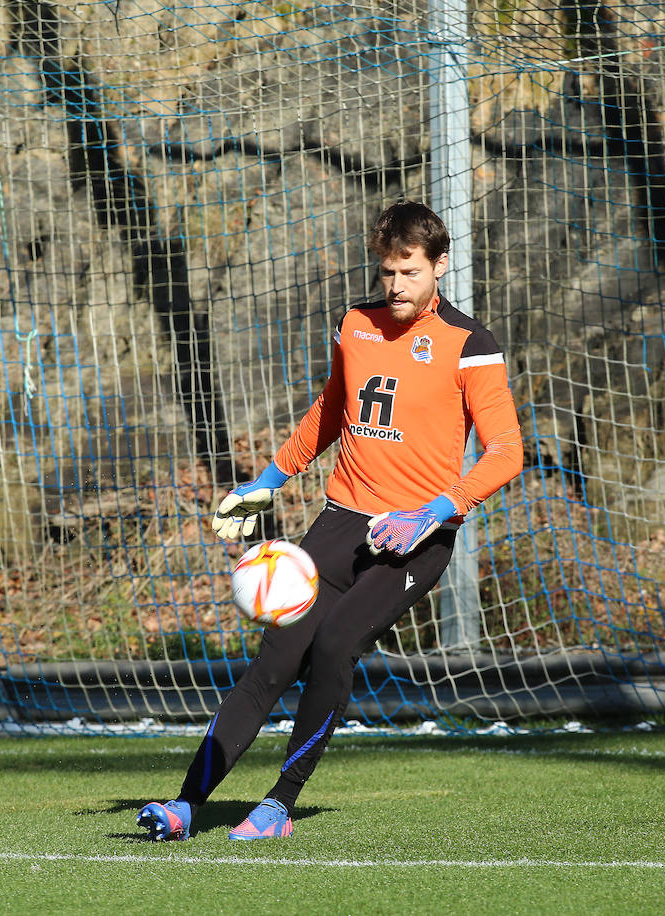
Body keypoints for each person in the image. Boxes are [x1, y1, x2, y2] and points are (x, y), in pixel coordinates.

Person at [137, 200, 523, 841]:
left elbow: (506, 450)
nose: (396, 286)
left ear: (440, 267)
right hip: (341, 522)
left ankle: (279, 804)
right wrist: (268, 481)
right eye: (387, 273)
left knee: (336, 645)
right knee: (274, 661)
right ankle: (184, 805)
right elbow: (331, 410)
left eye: (410, 272)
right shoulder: (356, 323)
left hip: (415, 539)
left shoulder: (469, 343)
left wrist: (435, 512)